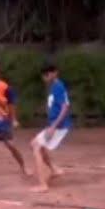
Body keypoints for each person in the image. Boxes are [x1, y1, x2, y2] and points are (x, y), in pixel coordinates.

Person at [30, 64, 72, 193]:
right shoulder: (54, 86)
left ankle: (43, 184)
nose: (45, 78)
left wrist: (53, 127)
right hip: (55, 125)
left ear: (54, 73)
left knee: (36, 146)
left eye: (47, 74)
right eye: (44, 75)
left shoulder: (58, 87)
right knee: (37, 145)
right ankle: (54, 169)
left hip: (59, 126)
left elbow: (65, 107)